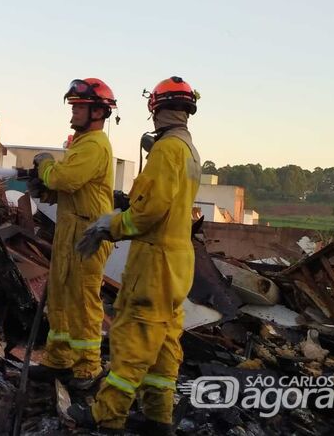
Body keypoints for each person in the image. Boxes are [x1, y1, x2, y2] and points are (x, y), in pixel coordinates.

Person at [69, 76, 201, 434]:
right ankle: (159, 418)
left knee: (134, 337)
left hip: (154, 261)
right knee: (164, 342)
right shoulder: (189, 150)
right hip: (179, 261)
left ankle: (106, 416)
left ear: (154, 107)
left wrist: (107, 226)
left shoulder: (167, 150)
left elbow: (148, 211)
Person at [26, 78, 117, 390]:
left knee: (83, 300)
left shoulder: (94, 145)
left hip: (87, 232)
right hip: (71, 228)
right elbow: (71, 190)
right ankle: (59, 360)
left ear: (97, 112)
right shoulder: (81, 145)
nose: (74, 111)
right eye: (74, 106)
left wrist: (47, 167)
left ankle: (88, 366)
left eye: (80, 107)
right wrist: (48, 192)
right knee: (62, 296)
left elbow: (66, 179)